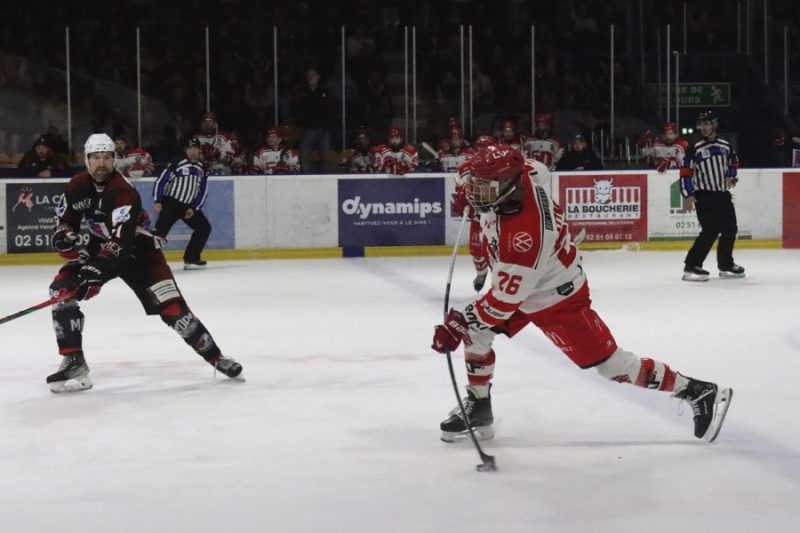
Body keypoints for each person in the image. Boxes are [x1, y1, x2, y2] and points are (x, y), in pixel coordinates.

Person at [431, 147, 733, 444]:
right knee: (477, 332)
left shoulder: (525, 236)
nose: (476, 192)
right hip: (527, 284)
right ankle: (479, 407)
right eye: (478, 184)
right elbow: (536, 168)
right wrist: (470, 180)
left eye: (485, 185)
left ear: (509, 185)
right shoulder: (525, 174)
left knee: (612, 366)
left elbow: (503, 302)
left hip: (556, 299)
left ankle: (697, 390)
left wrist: (459, 322)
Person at [46, 133, 242, 393]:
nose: (101, 163)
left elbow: (121, 238)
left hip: (141, 254)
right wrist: (64, 236)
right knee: (62, 290)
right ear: (87, 160)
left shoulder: (123, 190)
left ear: (114, 159)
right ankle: (74, 361)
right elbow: (65, 220)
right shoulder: (76, 185)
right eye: (96, 157)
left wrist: (96, 269)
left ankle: (217, 358)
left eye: (107, 157)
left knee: (175, 312)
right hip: (101, 249)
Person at [680, 111, 744, 281]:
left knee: (730, 228)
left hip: (722, 194)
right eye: (701, 124)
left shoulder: (725, 145)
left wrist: (732, 175)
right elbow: (685, 173)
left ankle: (725, 264)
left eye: (707, 124)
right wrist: (688, 195)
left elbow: (734, 162)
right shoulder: (695, 148)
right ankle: (691, 265)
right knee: (710, 230)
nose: (703, 127)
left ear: (714, 125)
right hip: (704, 195)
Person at [152, 137, 212, 270]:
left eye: (195, 148)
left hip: (188, 207)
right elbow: (161, 181)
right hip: (171, 204)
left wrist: (194, 208)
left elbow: (202, 190)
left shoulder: (202, 167)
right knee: (159, 234)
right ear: (185, 150)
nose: (193, 152)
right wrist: (158, 200)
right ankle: (147, 261)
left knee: (204, 228)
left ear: (199, 150)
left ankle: (191, 258)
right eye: (190, 149)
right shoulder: (177, 163)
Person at [452, 135, 495, 292]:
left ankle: (499, 281)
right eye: (480, 150)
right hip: (478, 217)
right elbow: (460, 192)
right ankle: (481, 273)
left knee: (498, 251)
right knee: (476, 251)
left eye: (486, 150)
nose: (482, 154)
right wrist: (462, 202)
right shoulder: (465, 168)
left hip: (497, 218)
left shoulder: (501, 166)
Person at [291, 67, 336, 174]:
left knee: (325, 158)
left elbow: (333, 108)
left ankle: (324, 178)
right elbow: (294, 108)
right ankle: (306, 178)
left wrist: (328, 122)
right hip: (307, 129)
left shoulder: (325, 91)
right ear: (306, 77)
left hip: (323, 129)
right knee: (304, 158)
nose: (311, 77)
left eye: (314, 74)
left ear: (318, 76)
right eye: (309, 75)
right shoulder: (301, 92)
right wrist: (301, 123)